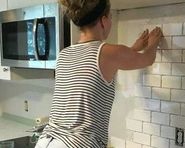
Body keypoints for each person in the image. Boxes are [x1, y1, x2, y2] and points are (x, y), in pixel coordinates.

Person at [35, 0, 162, 147]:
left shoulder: (64, 54)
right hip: (77, 144)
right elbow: (147, 59)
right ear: (103, 20)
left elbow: (102, 65)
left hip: (47, 141)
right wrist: (154, 41)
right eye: (111, 17)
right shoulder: (107, 53)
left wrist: (133, 48)